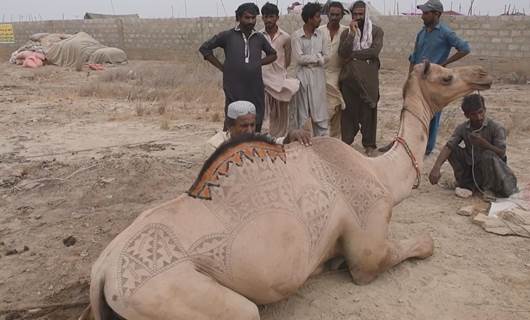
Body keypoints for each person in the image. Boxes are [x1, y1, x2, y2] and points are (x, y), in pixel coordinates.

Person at [199, 3, 277, 133]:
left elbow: (273, 54)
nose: (251, 21)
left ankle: (252, 148)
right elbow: (205, 48)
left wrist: (257, 63)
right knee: (233, 118)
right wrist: (221, 67)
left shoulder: (259, 38)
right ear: (239, 18)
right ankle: (230, 149)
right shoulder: (228, 36)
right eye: (247, 18)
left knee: (255, 119)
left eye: (253, 18)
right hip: (234, 86)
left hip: (255, 87)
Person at [411, 0, 471, 155]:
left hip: (435, 82)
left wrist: (445, 63)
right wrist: (410, 77)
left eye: (426, 13)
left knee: (433, 115)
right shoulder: (422, 32)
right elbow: (414, 56)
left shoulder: (445, 32)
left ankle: (427, 148)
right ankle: (413, 143)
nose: (422, 16)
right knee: (415, 111)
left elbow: (465, 48)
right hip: (418, 80)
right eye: (422, 13)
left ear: (437, 14)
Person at [429, 94, 518, 198]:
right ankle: (466, 184)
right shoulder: (462, 128)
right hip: (473, 170)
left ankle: (488, 189)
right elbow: (449, 146)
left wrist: (484, 143)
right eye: (473, 114)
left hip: (494, 174)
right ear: (466, 115)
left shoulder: (496, 127)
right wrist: (436, 167)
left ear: (485, 109)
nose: (479, 117)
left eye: (481, 112)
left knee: (487, 155)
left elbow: (501, 153)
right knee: (452, 150)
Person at [338, 0, 383, 156]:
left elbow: (373, 52)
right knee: (348, 112)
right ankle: (346, 143)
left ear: (366, 14)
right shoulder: (346, 32)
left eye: (361, 14)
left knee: (369, 112)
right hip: (349, 80)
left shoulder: (377, 31)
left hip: (369, 81)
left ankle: (369, 145)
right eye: (355, 14)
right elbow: (343, 53)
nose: (358, 17)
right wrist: (351, 34)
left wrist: (353, 56)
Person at [260, 2, 300, 138]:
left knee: (281, 113)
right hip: (263, 80)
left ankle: (278, 140)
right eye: (265, 17)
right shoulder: (258, 36)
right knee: (265, 113)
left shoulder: (286, 37)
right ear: (262, 18)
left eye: (271, 16)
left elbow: (288, 60)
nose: (268, 20)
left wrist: (279, 71)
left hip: (279, 80)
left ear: (277, 17)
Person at [290, 2, 330, 137]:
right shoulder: (296, 36)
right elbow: (299, 59)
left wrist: (318, 58)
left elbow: (327, 57)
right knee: (301, 114)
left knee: (320, 114)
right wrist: (318, 58)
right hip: (302, 77)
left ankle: (323, 146)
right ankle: (302, 145)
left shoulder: (322, 35)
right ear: (309, 19)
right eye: (317, 17)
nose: (320, 19)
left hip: (318, 77)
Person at [207, 101, 312, 151]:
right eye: (244, 126)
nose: (249, 131)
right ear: (230, 126)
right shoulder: (215, 145)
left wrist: (291, 135)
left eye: (252, 125)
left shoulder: (256, 139)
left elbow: (277, 142)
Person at [319, 1, 349, 138]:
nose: (334, 17)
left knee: (337, 110)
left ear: (342, 15)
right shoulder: (319, 31)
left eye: (337, 15)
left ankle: (335, 141)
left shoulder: (346, 31)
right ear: (327, 15)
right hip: (320, 76)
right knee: (321, 110)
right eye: (332, 14)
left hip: (339, 76)